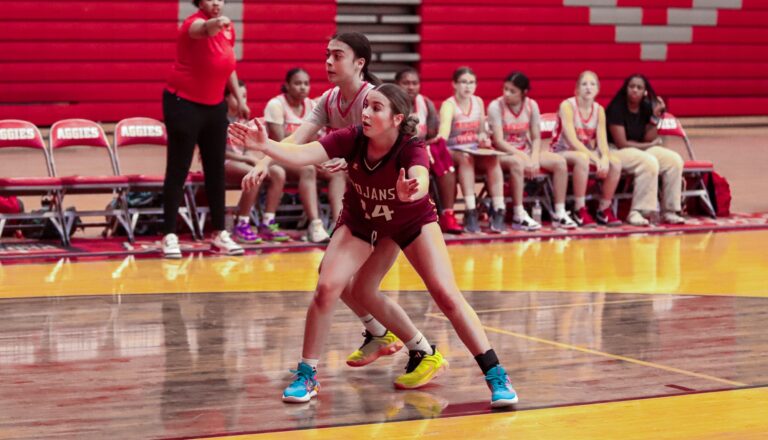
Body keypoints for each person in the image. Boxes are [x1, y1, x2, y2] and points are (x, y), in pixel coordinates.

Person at [229, 83, 519, 408]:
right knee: (329, 287)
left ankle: (496, 375)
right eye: (366, 106)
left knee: (446, 295)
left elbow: (422, 179)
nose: (365, 113)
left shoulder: (411, 147)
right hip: (363, 221)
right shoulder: (352, 138)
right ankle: (307, 374)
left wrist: (412, 190)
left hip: (410, 222)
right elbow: (304, 153)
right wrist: (265, 146)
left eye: (376, 108)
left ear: (397, 119)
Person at [247, 32, 405, 369]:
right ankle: (382, 334)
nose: (329, 62)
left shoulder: (373, 100)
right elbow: (298, 138)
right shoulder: (329, 99)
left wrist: (351, 163)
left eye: (337, 56)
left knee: (364, 287)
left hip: (390, 202)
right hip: (361, 200)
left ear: (360, 63)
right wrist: (264, 161)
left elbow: (394, 150)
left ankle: (418, 347)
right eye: (327, 55)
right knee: (333, 279)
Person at [161, 0, 245, 258]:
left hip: (215, 106)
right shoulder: (192, 24)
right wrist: (215, 23)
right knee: (179, 168)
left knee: (215, 170)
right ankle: (169, 235)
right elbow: (202, 29)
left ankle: (219, 234)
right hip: (183, 103)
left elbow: (228, 66)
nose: (216, 2)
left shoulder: (229, 29)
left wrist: (239, 99)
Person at [487, 72, 578, 230]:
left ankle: (560, 212)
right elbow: (499, 141)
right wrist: (524, 157)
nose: (506, 93)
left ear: (524, 92)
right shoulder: (495, 106)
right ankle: (518, 214)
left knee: (560, 163)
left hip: (526, 150)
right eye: (505, 89)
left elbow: (536, 138)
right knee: (517, 162)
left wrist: (534, 158)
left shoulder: (531, 105)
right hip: (503, 153)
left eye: (512, 91)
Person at [263, 68, 335, 242]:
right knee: (308, 169)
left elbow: (315, 140)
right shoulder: (276, 104)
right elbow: (281, 143)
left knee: (336, 171)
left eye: (306, 83)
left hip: (302, 157)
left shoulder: (312, 106)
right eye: (297, 83)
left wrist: (317, 157)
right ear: (287, 85)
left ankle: (338, 223)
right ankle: (315, 225)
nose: (303, 87)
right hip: (277, 158)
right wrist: (308, 154)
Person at [606, 74, 685, 225]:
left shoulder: (646, 107)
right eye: (632, 86)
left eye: (639, 87)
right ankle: (637, 212)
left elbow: (649, 138)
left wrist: (655, 117)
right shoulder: (616, 108)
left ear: (645, 92)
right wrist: (649, 146)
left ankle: (669, 211)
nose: (635, 90)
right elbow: (622, 143)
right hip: (615, 151)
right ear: (626, 88)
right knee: (648, 162)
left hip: (639, 148)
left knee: (674, 160)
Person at [550, 71, 623, 227]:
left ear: (598, 89)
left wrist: (604, 158)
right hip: (562, 151)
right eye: (584, 84)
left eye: (592, 84)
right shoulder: (567, 106)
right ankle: (579, 208)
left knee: (615, 163)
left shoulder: (599, 110)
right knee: (582, 158)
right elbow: (572, 140)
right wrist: (595, 158)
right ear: (577, 88)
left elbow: (602, 141)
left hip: (585, 152)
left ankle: (603, 209)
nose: (588, 88)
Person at [438, 67, 506, 233]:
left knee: (493, 158)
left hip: (474, 149)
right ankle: (470, 210)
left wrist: (483, 138)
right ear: (454, 84)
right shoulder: (448, 105)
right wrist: (440, 138)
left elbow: (481, 130)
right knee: (465, 158)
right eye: (463, 82)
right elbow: (443, 133)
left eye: (471, 82)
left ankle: (499, 209)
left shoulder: (478, 102)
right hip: (452, 151)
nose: (468, 86)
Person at [395, 68, 462, 234]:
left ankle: (447, 214)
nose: (411, 87)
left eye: (415, 83)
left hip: (421, 150)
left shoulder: (426, 103)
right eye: (406, 83)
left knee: (442, 154)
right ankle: (416, 215)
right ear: (397, 84)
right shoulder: (390, 104)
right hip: (397, 151)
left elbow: (432, 135)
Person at [225, 81, 289, 243]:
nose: (242, 100)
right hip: (222, 163)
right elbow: (217, 152)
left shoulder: (243, 119)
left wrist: (255, 159)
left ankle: (267, 222)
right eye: (237, 96)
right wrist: (249, 159)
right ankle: (242, 223)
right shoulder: (219, 118)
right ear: (226, 98)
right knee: (253, 172)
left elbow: (247, 149)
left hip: (241, 161)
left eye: (244, 96)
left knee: (278, 173)